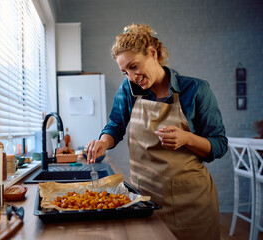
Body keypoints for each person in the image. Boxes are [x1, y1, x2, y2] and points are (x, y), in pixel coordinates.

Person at [84, 23, 227, 240]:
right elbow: (115, 125)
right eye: (125, 72)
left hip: (192, 203)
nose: (131, 77)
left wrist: (186, 138)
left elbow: (219, 144)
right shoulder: (129, 90)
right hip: (143, 200)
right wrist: (103, 142)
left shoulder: (196, 90)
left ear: (152, 53)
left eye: (134, 66)